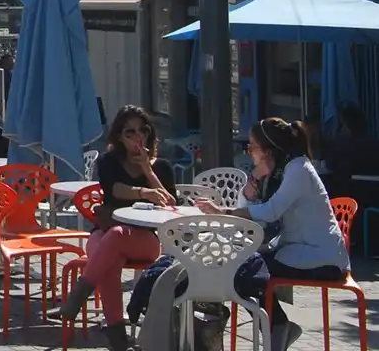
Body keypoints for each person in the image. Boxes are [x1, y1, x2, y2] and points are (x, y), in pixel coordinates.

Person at [196, 117, 349, 351]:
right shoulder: (280, 171)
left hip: (321, 257)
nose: (249, 154)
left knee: (245, 269)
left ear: (268, 150)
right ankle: (278, 328)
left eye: (252, 148)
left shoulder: (297, 169)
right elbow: (255, 213)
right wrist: (252, 184)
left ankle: (278, 328)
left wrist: (225, 211)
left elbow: (270, 212)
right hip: (298, 249)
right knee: (242, 266)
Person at [53, 106, 177, 351]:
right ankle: (118, 341)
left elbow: (171, 202)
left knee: (116, 238)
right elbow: (114, 190)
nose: (138, 136)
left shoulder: (161, 166)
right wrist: (143, 192)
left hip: (146, 240)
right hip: (106, 234)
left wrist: (147, 170)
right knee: (110, 256)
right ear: (120, 136)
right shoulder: (108, 161)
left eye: (143, 130)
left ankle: (80, 292)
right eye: (130, 132)